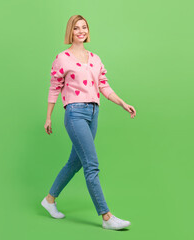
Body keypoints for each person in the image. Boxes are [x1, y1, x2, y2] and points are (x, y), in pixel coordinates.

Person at [42, 15, 136, 230]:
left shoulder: (95, 58)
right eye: (76, 28)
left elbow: (104, 85)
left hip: (94, 112)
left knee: (75, 163)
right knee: (91, 165)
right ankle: (106, 217)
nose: (81, 31)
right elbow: (54, 86)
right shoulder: (62, 58)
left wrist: (122, 103)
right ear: (71, 32)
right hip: (75, 113)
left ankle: (49, 200)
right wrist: (48, 116)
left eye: (84, 27)